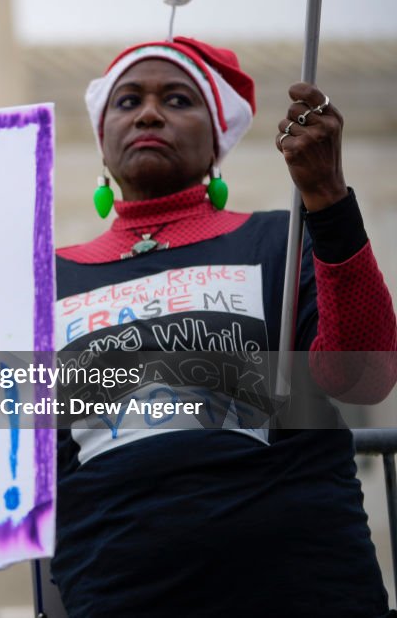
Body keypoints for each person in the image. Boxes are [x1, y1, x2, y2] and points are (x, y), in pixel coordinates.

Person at [49, 36, 397, 616]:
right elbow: (24, 450)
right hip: (118, 595)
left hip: (301, 589)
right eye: (127, 101)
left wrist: (328, 199)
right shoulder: (43, 280)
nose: (150, 113)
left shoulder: (283, 239)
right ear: (101, 139)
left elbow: (364, 380)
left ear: (218, 139)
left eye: (179, 99)